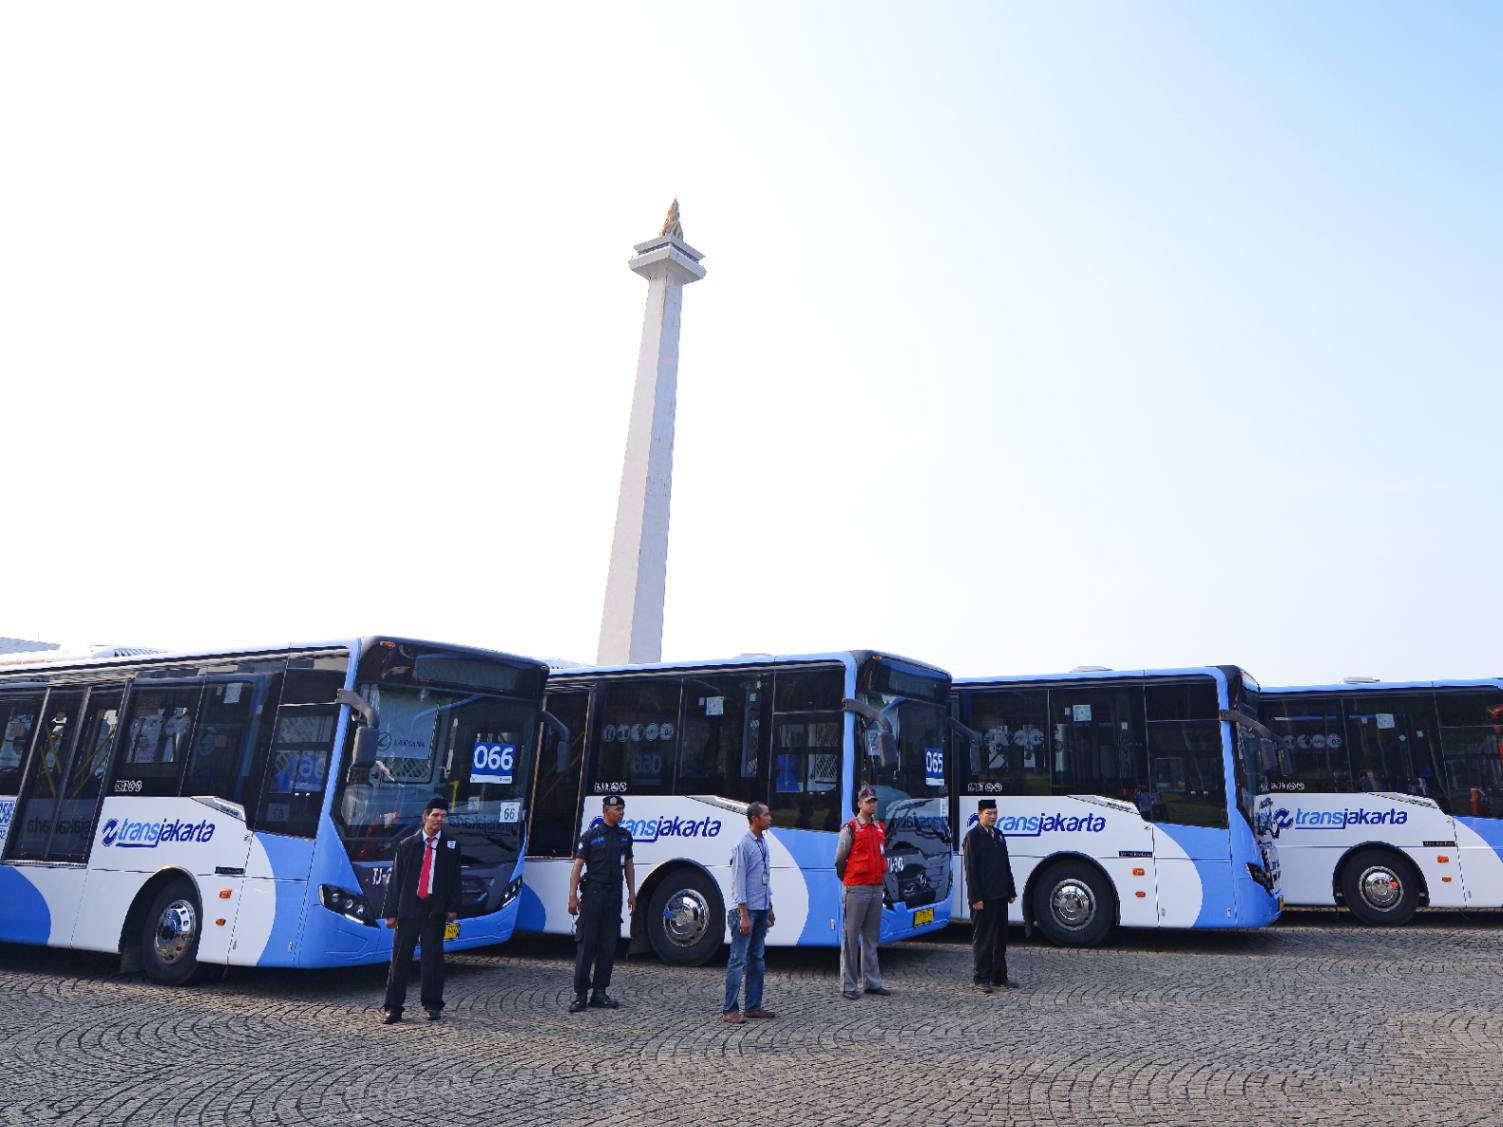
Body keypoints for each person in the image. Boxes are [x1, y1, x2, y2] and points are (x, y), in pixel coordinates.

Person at [381, 797, 463, 1023]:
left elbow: (456, 879)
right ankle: (393, 1007)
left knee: (433, 960)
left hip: (434, 909)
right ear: (425, 817)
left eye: (443, 816)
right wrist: (391, 912)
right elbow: (395, 880)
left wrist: (453, 907)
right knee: (400, 959)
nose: (439, 820)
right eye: (435, 815)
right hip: (409, 908)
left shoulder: (451, 846)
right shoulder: (408, 845)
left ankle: (433, 1004)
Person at [566, 794, 637, 1013]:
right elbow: (578, 867)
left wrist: (632, 893)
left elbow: (629, 866)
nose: (621, 813)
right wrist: (572, 896)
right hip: (593, 896)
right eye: (618, 810)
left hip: (613, 896)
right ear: (606, 811)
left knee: (608, 945)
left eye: (623, 810)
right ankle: (580, 995)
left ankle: (600, 992)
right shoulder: (591, 836)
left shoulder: (625, 837)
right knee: (587, 945)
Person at [722, 801, 777, 1024]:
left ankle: (753, 1006)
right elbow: (738, 883)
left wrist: (769, 906)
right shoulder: (742, 845)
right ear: (754, 819)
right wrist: (744, 914)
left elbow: (763, 879)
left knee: (757, 958)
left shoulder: (763, 842)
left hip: (761, 908)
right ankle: (729, 1010)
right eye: (766, 814)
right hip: (746, 911)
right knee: (738, 960)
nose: (770, 817)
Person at [834, 785, 889, 1000]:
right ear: (859, 804)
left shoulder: (878, 828)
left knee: (871, 938)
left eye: (874, 801)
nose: (872, 804)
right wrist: (848, 881)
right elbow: (840, 859)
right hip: (856, 887)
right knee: (850, 939)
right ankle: (848, 985)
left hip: (876, 887)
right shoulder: (850, 828)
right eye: (868, 801)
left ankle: (872, 982)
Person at [963, 798, 1018, 994]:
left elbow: (1006, 865)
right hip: (983, 899)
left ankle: (999, 976)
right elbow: (971, 871)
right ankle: (981, 978)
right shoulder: (973, 837)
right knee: (983, 939)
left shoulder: (999, 835)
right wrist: (975, 898)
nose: (993, 817)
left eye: (995, 813)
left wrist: (1010, 890)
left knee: (1000, 938)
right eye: (988, 813)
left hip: (1000, 895)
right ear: (979, 815)